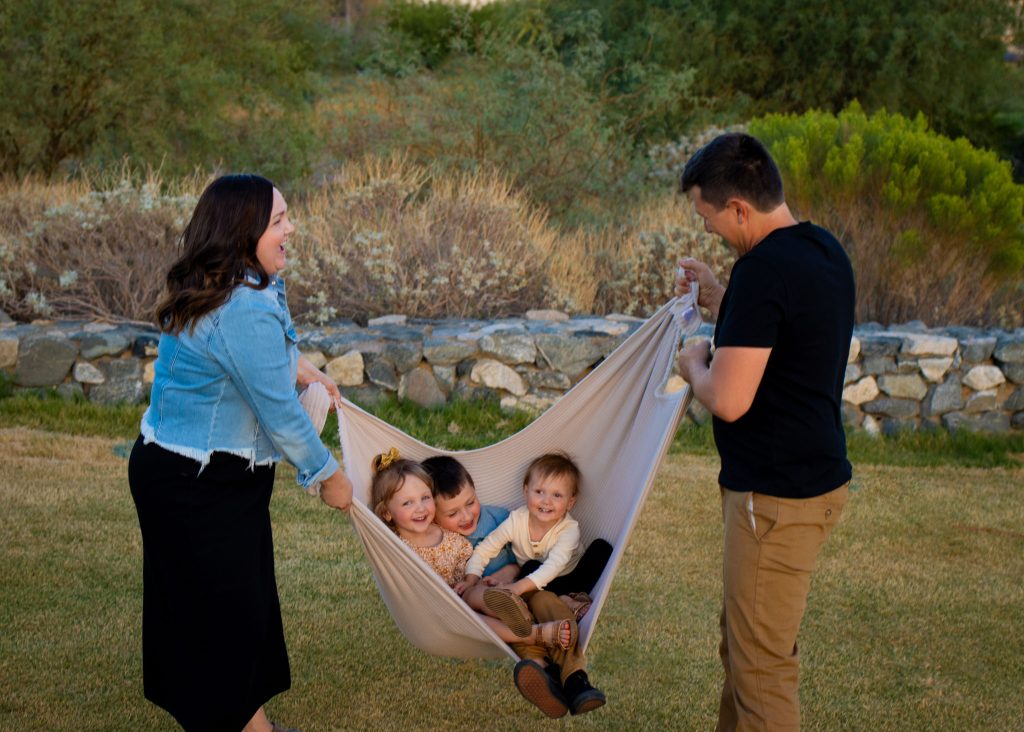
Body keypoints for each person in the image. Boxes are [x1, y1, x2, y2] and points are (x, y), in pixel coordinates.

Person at [127, 174, 354, 732]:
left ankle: (253, 728)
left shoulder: (236, 282)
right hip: (194, 484)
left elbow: (251, 355)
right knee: (223, 621)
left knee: (231, 616)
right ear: (243, 231)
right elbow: (279, 413)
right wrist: (328, 475)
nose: (290, 229)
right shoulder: (242, 303)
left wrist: (304, 369)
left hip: (205, 476)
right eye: (278, 220)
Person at [675, 132, 854, 732]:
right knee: (747, 648)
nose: (708, 230)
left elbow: (728, 399)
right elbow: (784, 331)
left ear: (738, 208)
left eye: (708, 217)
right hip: (811, 483)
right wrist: (719, 296)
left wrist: (693, 365)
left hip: (775, 498)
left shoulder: (762, 270)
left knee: (761, 669)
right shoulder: (822, 250)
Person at [368, 449, 576, 652]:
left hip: (470, 589)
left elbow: (475, 560)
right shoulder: (395, 547)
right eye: (408, 503)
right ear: (386, 513)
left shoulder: (449, 534)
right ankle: (533, 634)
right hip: (448, 609)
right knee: (469, 613)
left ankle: (512, 609)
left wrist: (478, 580)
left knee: (477, 594)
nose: (421, 508)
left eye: (425, 498)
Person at [457, 452, 611, 718]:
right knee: (531, 578)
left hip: (570, 576)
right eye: (539, 492)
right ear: (525, 491)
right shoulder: (516, 521)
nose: (546, 501)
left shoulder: (569, 529)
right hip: (537, 588)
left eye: (557, 495)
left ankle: (570, 609)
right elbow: (485, 549)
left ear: (571, 502)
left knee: (601, 549)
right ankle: (571, 679)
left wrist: (517, 588)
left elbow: (553, 566)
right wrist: (471, 578)